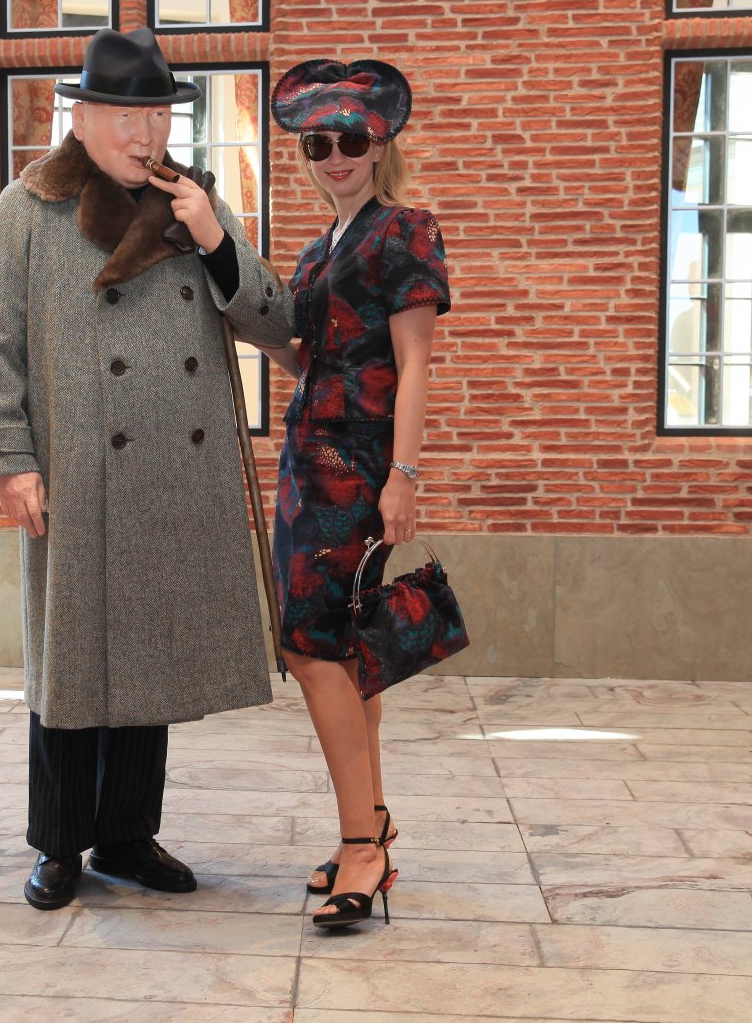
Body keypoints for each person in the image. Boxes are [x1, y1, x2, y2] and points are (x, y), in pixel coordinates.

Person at [0, 27, 296, 911]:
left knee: (148, 662)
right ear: (81, 118)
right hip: (75, 468)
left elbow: (277, 321)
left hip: (172, 475)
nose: (147, 133)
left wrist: (215, 240)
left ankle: (124, 835)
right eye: (126, 115)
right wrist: (10, 458)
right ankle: (58, 842)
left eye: (159, 114)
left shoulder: (193, 201)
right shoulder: (27, 207)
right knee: (71, 665)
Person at [260, 59, 451, 929]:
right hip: (305, 467)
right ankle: (367, 826)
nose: (334, 156)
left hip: (360, 471)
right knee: (342, 650)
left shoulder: (404, 231)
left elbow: (414, 363)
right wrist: (252, 324)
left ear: (379, 144)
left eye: (350, 140)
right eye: (318, 143)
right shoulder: (316, 251)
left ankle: (362, 849)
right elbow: (309, 361)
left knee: (311, 649)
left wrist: (403, 476)